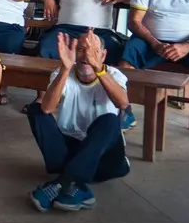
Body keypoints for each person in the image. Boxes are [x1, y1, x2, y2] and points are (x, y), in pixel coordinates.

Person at [27, 30, 131, 212]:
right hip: (69, 153)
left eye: (93, 51)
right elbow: (47, 108)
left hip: (103, 159)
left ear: (103, 55)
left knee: (110, 120)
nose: (86, 56)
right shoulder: (62, 72)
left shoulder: (114, 75)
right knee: (36, 110)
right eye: (81, 50)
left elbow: (123, 103)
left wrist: (98, 68)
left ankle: (64, 182)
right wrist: (65, 69)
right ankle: (77, 185)